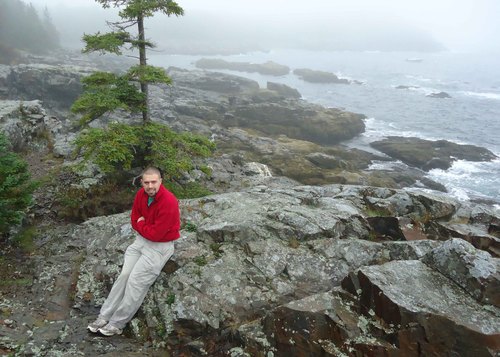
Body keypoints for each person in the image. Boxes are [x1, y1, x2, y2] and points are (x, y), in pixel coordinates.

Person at [87, 166, 180, 336]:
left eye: (153, 182)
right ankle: (104, 316)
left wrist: (141, 223)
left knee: (135, 282)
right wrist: (142, 225)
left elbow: (156, 234)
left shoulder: (169, 201)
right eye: (146, 182)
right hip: (140, 242)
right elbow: (134, 218)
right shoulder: (141, 195)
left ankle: (117, 323)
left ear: (160, 181)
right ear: (142, 182)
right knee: (124, 276)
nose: (150, 186)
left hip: (159, 247)